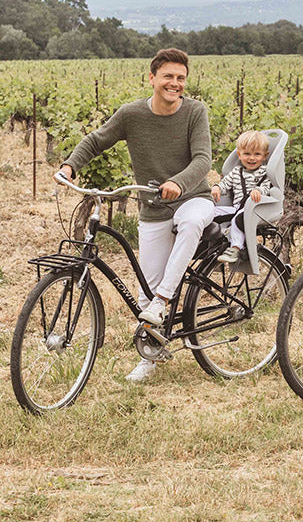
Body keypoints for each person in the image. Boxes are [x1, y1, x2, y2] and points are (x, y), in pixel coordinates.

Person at [60, 48, 214, 382]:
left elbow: (203, 159)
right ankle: (150, 355)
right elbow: (97, 139)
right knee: (144, 287)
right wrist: (70, 165)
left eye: (180, 78)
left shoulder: (195, 111)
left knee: (190, 224)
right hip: (154, 206)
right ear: (152, 78)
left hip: (194, 197)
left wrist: (178, 182)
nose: (175, 84)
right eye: (168, 77)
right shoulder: (131, 115)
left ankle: (163, 300)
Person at [211, 130, 274, 264]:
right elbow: (225, 184)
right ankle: (212, 247)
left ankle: (235, 248)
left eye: (257, 154)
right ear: (239, 154)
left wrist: (258, 191)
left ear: (265, 156)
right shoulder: (236, 172)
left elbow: (266, 187)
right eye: (247, 154)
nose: (252, 158)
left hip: (253, 209)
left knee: (238, 219)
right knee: (210, 211)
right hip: (237, 207)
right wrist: (217, 187)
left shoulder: (265, 172)